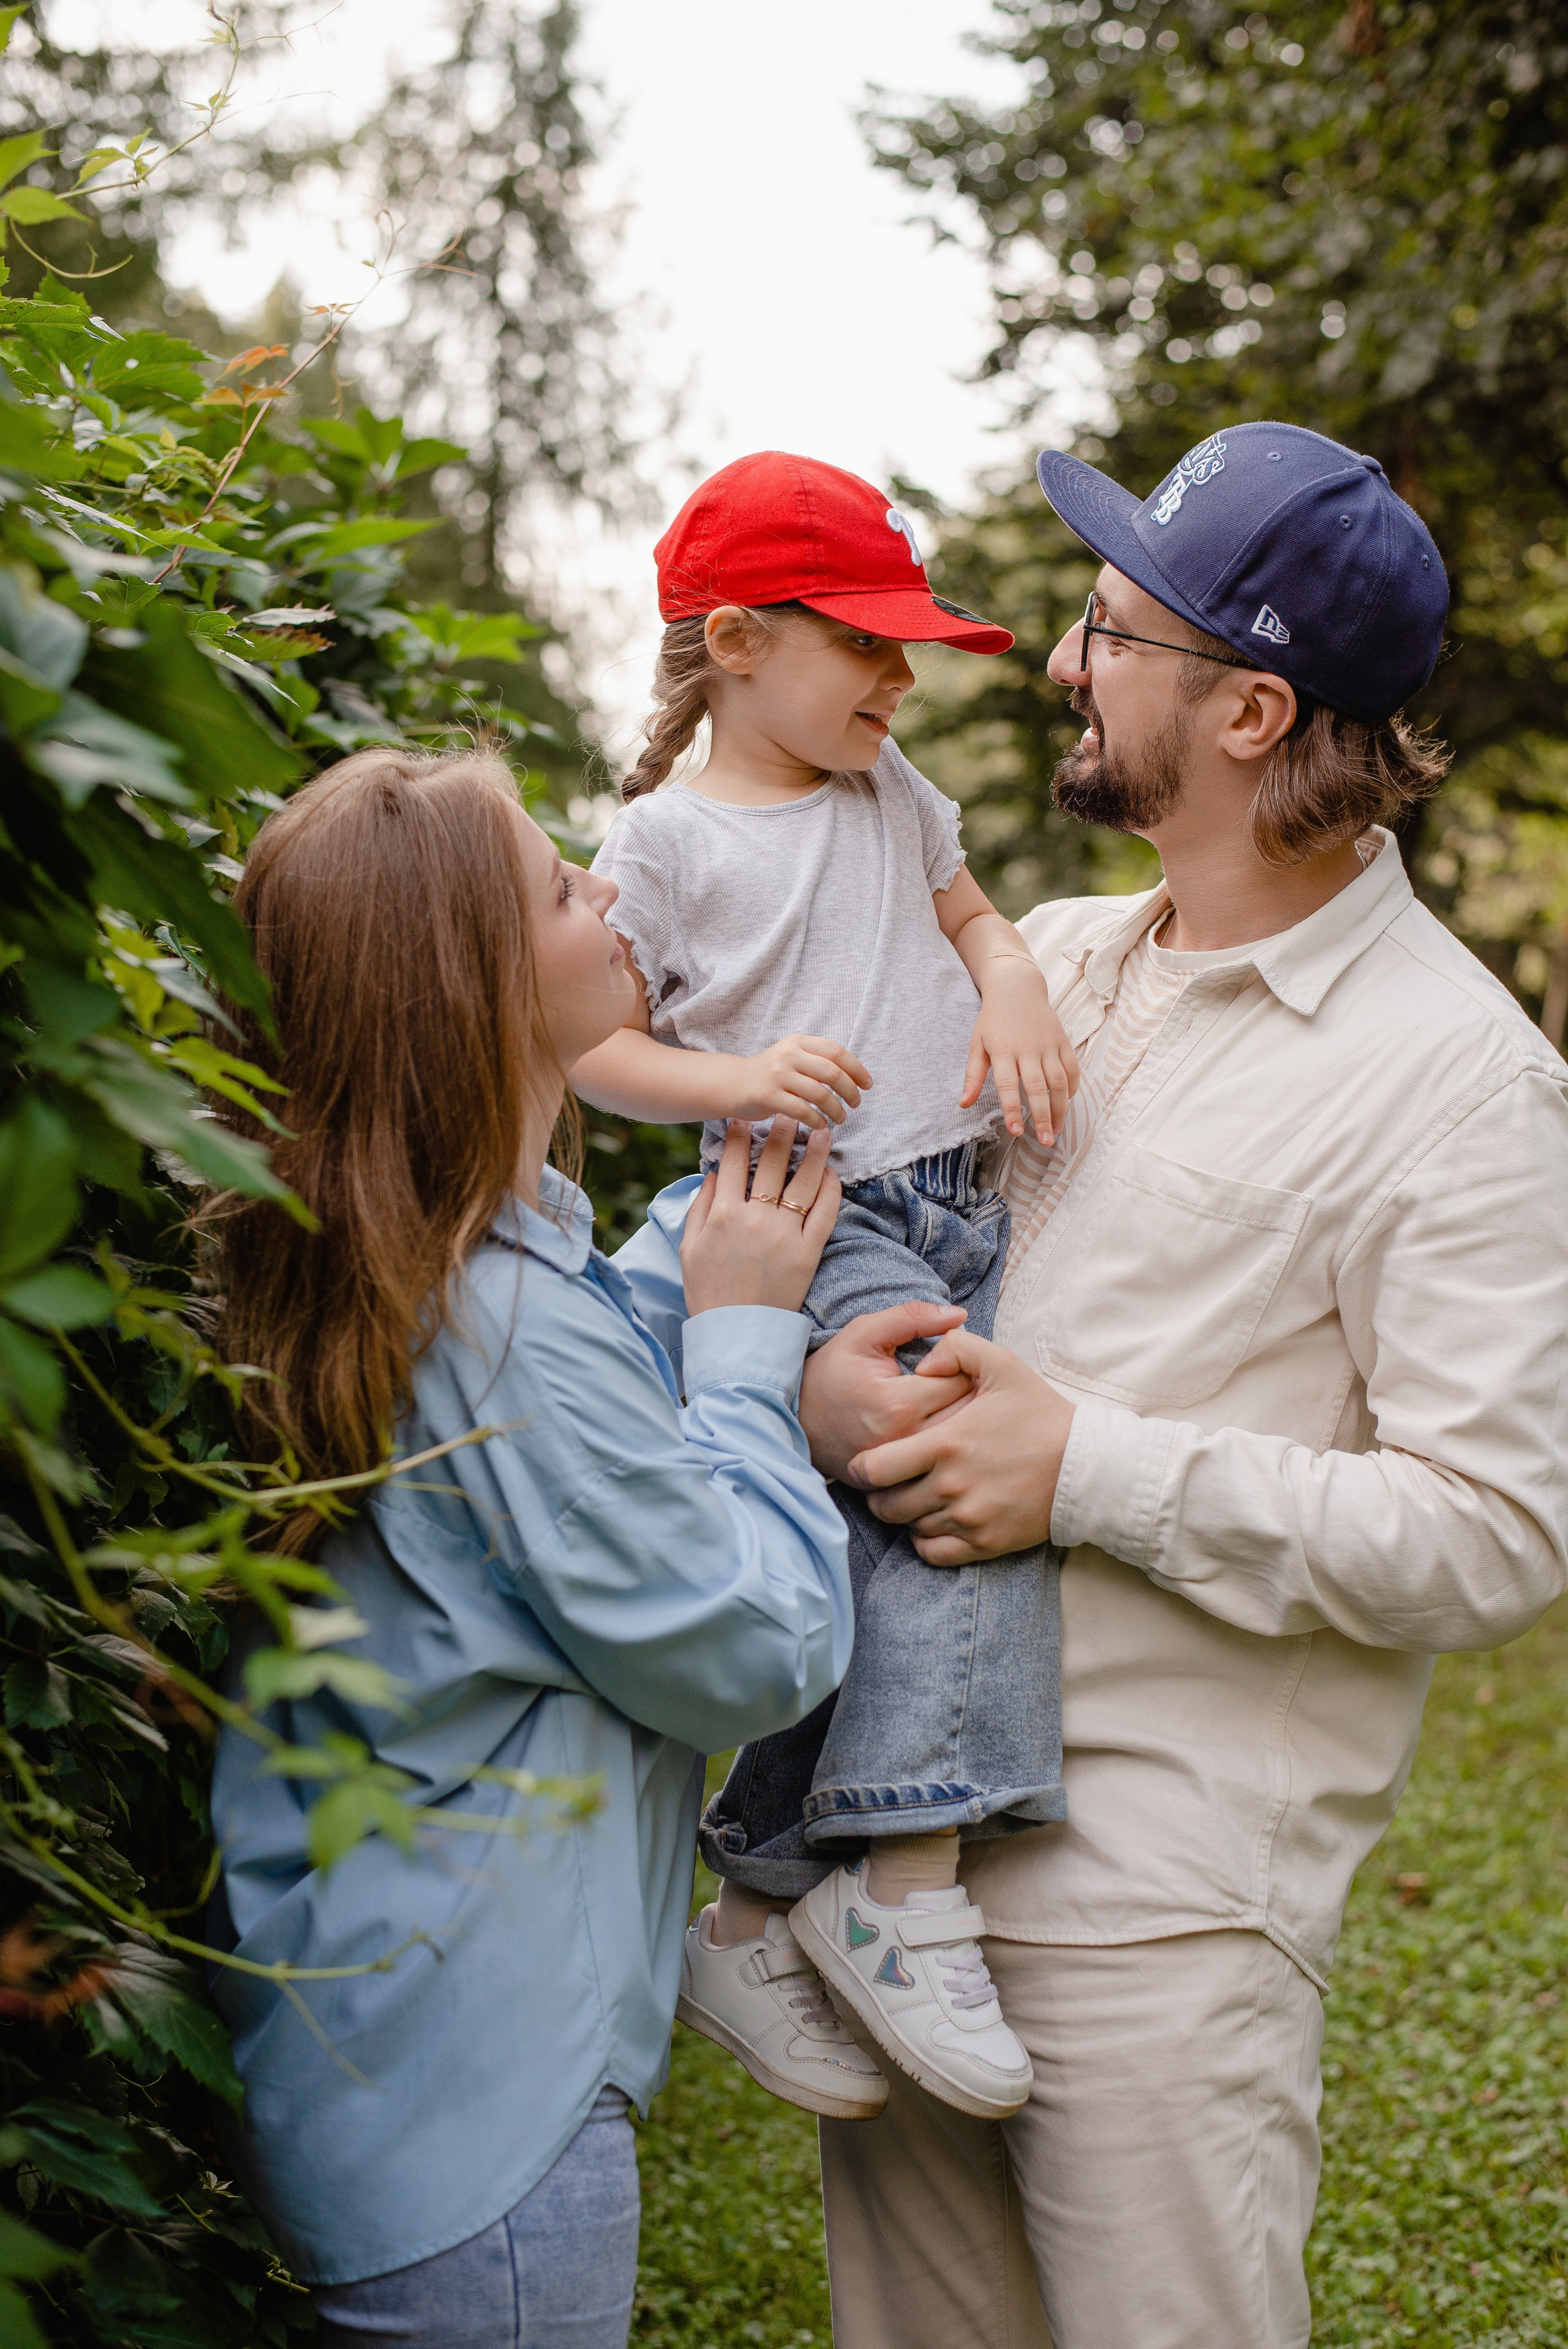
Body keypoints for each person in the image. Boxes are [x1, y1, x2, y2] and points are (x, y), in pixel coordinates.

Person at [773, 421, 1568, 2348]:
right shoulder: (1037, 960)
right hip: (897, 1877)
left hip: (1160, 1920)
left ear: (1252, 708)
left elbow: (1501, 1533)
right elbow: (829, 1250)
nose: (1062, 656)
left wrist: (1091, 1467)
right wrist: (823, 1394)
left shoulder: (1466, 1084)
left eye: (1114, 628)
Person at [203, 746, 872, 2349]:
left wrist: (706, 1244)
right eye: (562, 885)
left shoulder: (434, 1266)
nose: (606, 884)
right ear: (476, 990)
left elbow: (581, 1373)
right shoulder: (501, 1329)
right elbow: (752, 1647)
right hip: (489, 2134)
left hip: (394, 2068)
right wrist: (749, 1348)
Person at [571, 450, 1079, 2126]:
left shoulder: (893, 792)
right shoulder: (664, 840)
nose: (898, 674)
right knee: (962, 1471)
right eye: (861, 642)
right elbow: (592, 1046)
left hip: (953, 1200)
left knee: (880, 1535)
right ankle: (904, 1874)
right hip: (812, 1194)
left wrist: (1007, 989)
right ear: (734, 641)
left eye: (901, 643)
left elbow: (979, 917)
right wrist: (735, 1082)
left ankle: (751, 1904)